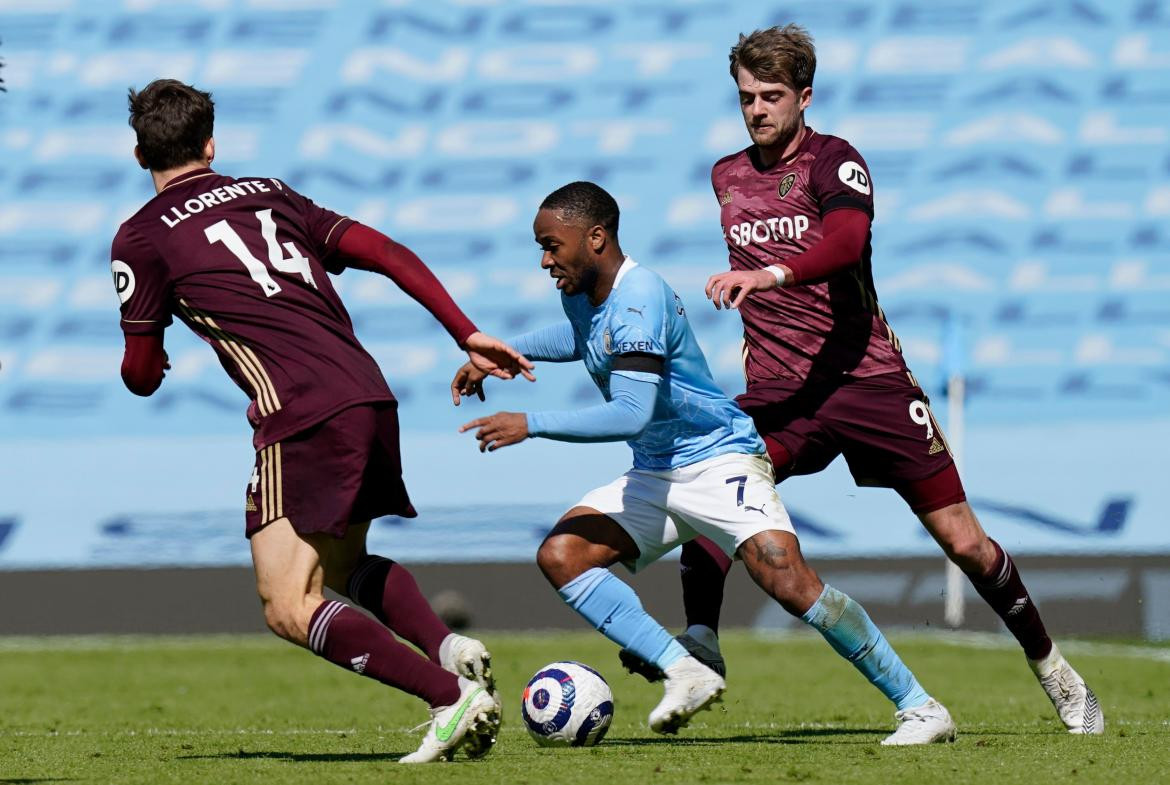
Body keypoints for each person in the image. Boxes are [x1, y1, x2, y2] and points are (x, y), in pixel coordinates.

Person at [621, 25, 1104, 736]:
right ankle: (702, 640)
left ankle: (1055, 670)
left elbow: (846, 242)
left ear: (805, 96)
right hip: (784, 393)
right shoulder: (726, 174)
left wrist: (770, 272)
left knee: (965, 542)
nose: (756, 110)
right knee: (715, 483)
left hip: (868, 380)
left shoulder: (836, 162)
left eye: (772, 96)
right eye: (747, 97)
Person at [110, 79, 534, 763]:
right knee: (341, 563)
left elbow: (137, 370)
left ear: (138, 154)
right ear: (211, 143)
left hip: (299, 411)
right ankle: (448, 647)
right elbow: (388, 253)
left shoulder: (140, 237)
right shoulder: (271, 192)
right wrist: (466, 331)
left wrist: (149, 366)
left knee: (286, 601)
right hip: (367, 393)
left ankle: (448, 696)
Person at [453, 181, 956, 744]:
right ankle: (686, 670)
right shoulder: (583, 292)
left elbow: (630, 413)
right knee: (563, 555)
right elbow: (581, 336)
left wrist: (532, 423)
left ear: (595, 238)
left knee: (786, 580)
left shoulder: (639, 299)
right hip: (657, 472)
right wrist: (507, 351)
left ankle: (921, 707)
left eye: (552, 246)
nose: (545, 261)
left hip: (720, 459)